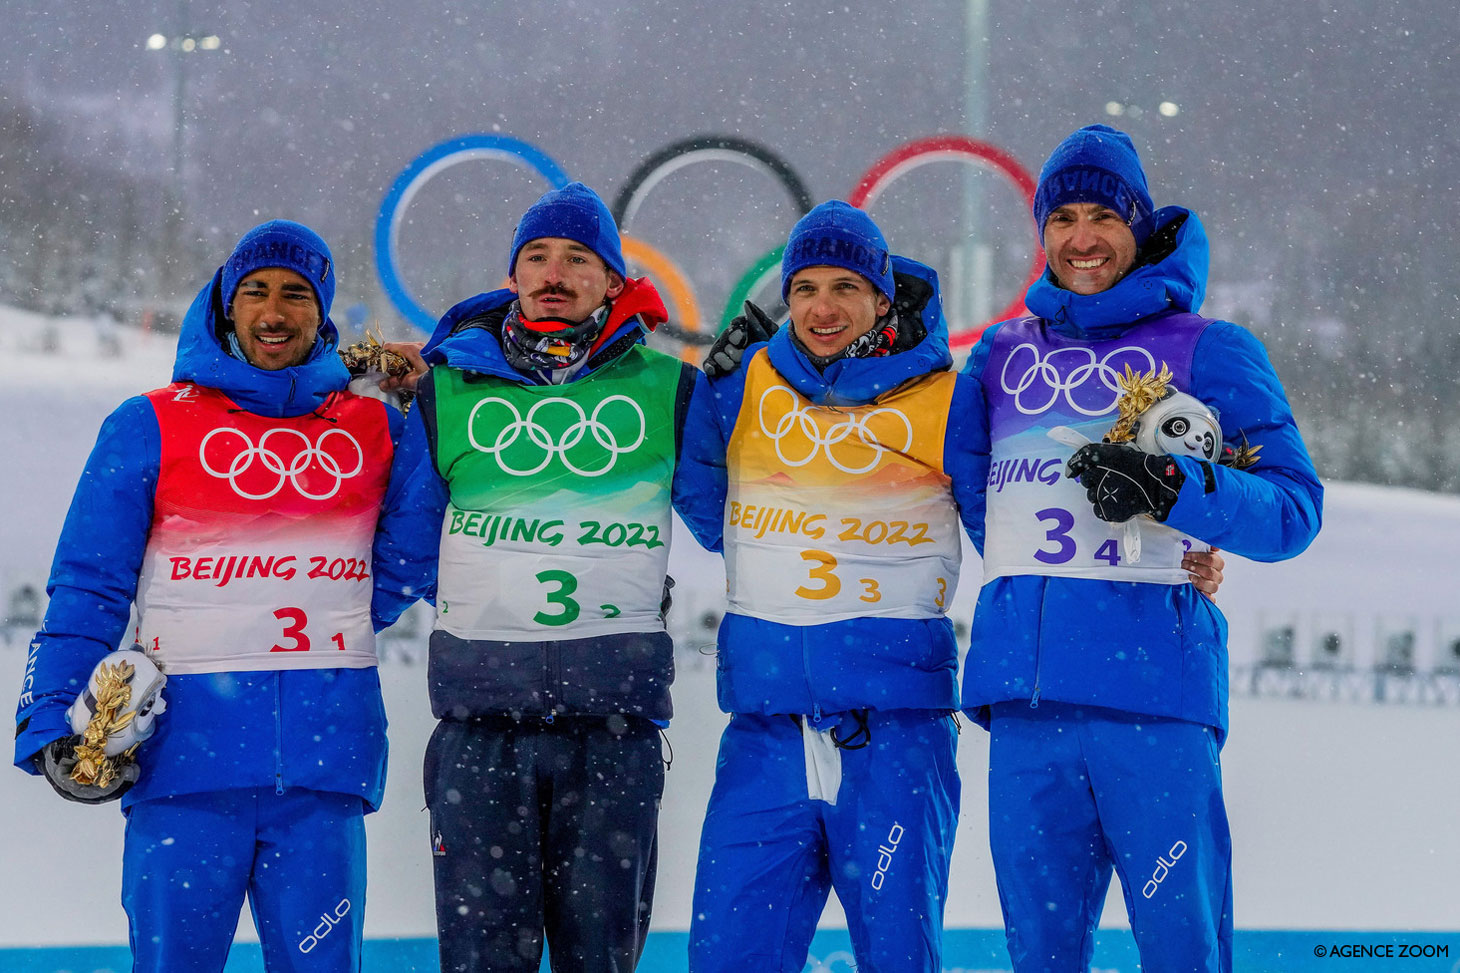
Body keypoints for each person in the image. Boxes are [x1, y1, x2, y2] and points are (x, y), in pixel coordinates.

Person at [12, 219, 437, 971]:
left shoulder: (375, 424)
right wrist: (51, 715)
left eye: (296, 294)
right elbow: (88, 583)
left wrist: (423, 413)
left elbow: (407, 557)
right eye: (256, 292)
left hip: (321, 772)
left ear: (324, 311)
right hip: (182, 769)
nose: (275, 312)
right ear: (226, 305)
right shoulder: (147, 424)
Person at [959, 125, 1323, 972]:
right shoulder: (999, 358)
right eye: (1062, 219)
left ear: (1138, 224)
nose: (1081, 239)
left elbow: (1294, 509)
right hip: (1027, 710)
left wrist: (1176, 496)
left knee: (1182, 951)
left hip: (1154, 705)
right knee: (1041, 956)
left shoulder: (1210, 349)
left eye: (1102, 218)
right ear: (1040, 232)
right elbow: (983, 507)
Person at [673, 200, 987, 971]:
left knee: (897, 955)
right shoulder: (747, 380)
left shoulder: (947, 394)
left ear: (883, 298)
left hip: (895, 733)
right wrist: (714, 399)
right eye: (805, 287)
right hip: (768, 727)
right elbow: (708, 505)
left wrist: (1185, 553)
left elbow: (1005, 526)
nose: (822, 306)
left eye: (846, 286)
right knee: (728, 954)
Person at [408, 182, 696, 972]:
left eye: (578, 258)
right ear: (512, 277)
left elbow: (728, 515)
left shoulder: (671, 388)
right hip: (480, 731)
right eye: (536, 257)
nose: (554, 272)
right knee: (481, 962)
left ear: (613, 282)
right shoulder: (446, 388)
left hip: (613, 733)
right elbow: (400, 551)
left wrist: (740, 389)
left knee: (598, 960)